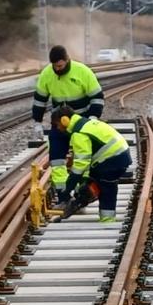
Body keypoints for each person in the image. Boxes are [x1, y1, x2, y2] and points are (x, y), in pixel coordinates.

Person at [31, 45, 105, 204]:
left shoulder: (83, 72)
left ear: (67, 60)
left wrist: (93, 117)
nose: (57, 69)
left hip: (82, 123)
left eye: (60, 66)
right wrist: (37, 122)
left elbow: (97, 97)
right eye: (54, 66)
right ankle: (63, 196)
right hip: (60, 124)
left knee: (82, 157)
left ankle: (82, 194)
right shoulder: (47, 74)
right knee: (56, 158)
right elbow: (39, 100)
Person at [51, 105, 130, 223]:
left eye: (57, 124)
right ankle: (106, 217)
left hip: (112, 160)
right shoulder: (86, 124)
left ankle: (107, 220)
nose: (57, 128)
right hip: (119, 156)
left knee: (105, 187)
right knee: (100, 185)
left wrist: (69, 187)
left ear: (64, 120)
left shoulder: (79, 133)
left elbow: (81, 164)